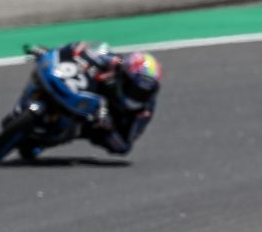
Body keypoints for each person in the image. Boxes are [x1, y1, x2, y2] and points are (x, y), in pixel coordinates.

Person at [16, 41, 162, 156]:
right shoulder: (116, 63)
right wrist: (62, 52)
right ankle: (47, 57)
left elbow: (124, 146)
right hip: (80, 88)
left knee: (83, 128)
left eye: (144, 93)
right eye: (134, 89)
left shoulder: (144, 112)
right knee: (58, 65)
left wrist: (109, 129)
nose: (137, 96)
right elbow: (90, 51)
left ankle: (50, 137)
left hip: (95, 123)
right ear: (124, 76)